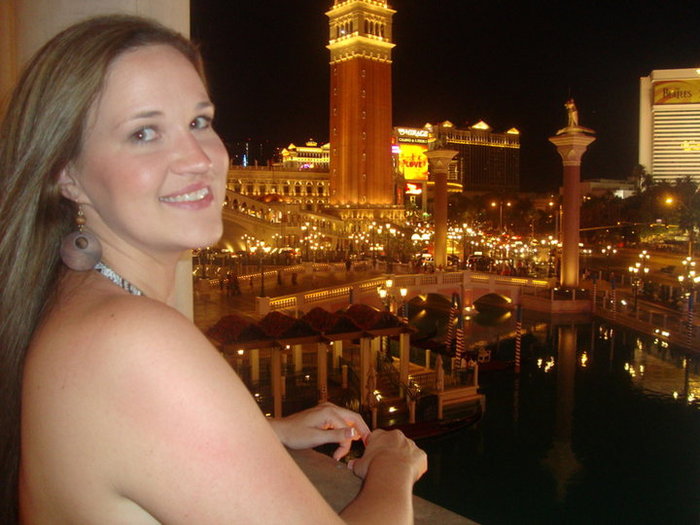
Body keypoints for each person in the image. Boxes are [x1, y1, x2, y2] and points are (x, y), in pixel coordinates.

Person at [0, 15, 426, 524]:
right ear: (66, 175)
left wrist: (257, 434)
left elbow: (128, 438)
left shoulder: (69, 296)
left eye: (199, 122)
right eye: (144, 132)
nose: (197, 158)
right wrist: (393, 466)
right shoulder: (132, 340)